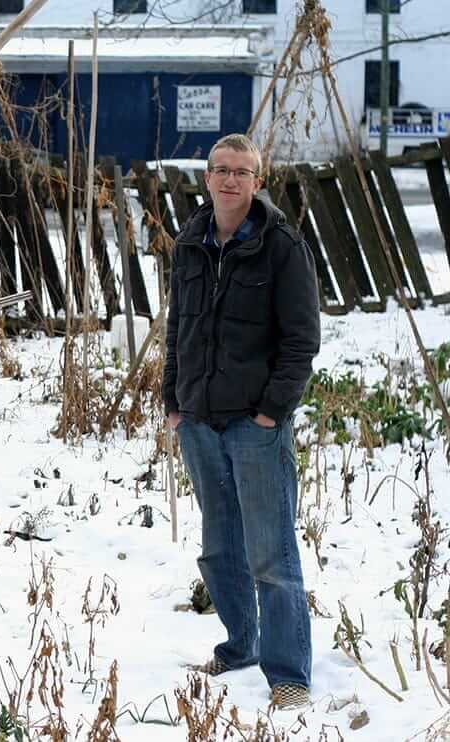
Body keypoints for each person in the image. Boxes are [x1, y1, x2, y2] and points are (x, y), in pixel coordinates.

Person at [162, 133, 320, 710]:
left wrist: (270, 412)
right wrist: (172, 398)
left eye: (242, 172)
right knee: (218, 548)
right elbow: (180, 324)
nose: (230, 181)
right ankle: (239, 647)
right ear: (207, 178)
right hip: (199, 420)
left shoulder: (281, 245)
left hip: (255, 426)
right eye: (220, 170)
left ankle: (289, 676)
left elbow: (301, 341)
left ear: (258, 180)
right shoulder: (190, 242)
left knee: (271, 554)